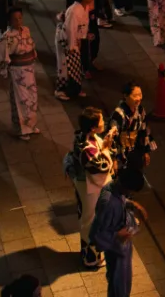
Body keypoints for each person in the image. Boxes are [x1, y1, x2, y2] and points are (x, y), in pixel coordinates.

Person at [89, 168, 148, 297]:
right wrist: (116, 235)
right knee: (118, 289)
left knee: (124, 285)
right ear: (126, 187)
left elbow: (120, 201)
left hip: (122, 248)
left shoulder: (114, 188)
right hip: (115, 251)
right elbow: (96, 235)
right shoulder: (108, 203)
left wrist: (132, 204)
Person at [71, 107, 116, 268]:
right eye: (101, 121)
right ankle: (91, 257)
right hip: (88, 186)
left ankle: (91, 253)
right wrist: (106, 148)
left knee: (88, 217)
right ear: (93, 127)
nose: (104, 122)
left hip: (87, 184)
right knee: (90, 220)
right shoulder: (86, 147)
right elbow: (102, 166)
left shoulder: (86, 137)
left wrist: (105, 146)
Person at [0, 7, 39, 140]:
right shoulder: (7, 37)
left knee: (32, 99)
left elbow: (31, 47)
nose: (18, 21)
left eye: (20, 18)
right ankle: (21, 129)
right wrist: (5, 68)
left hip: (29, 70)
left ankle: (31, 125)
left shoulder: (26, 30)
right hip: (18, 72)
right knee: (21, 100)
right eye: (15, 19)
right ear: (9, 21)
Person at [55, 0, 94, 101]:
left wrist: (84, 36)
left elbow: (83, 24)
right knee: (65, 66)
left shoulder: (85, 6)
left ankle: (75, 89)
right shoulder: (74, 10)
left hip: (75, 39)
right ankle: (60, 90)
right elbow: (70, 29)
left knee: (76, 66)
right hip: (66, 40)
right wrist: (72, 45)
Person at [109, 82, 154, 170]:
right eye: (135, 96)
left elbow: (143, 130)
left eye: (140, 95)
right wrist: (114, 160)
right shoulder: (119, 114)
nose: (138, 98)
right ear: (125, 96)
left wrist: (145, 151)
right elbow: (112, 138)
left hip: (136, 148)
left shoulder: (140, 110)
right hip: (121, 151)